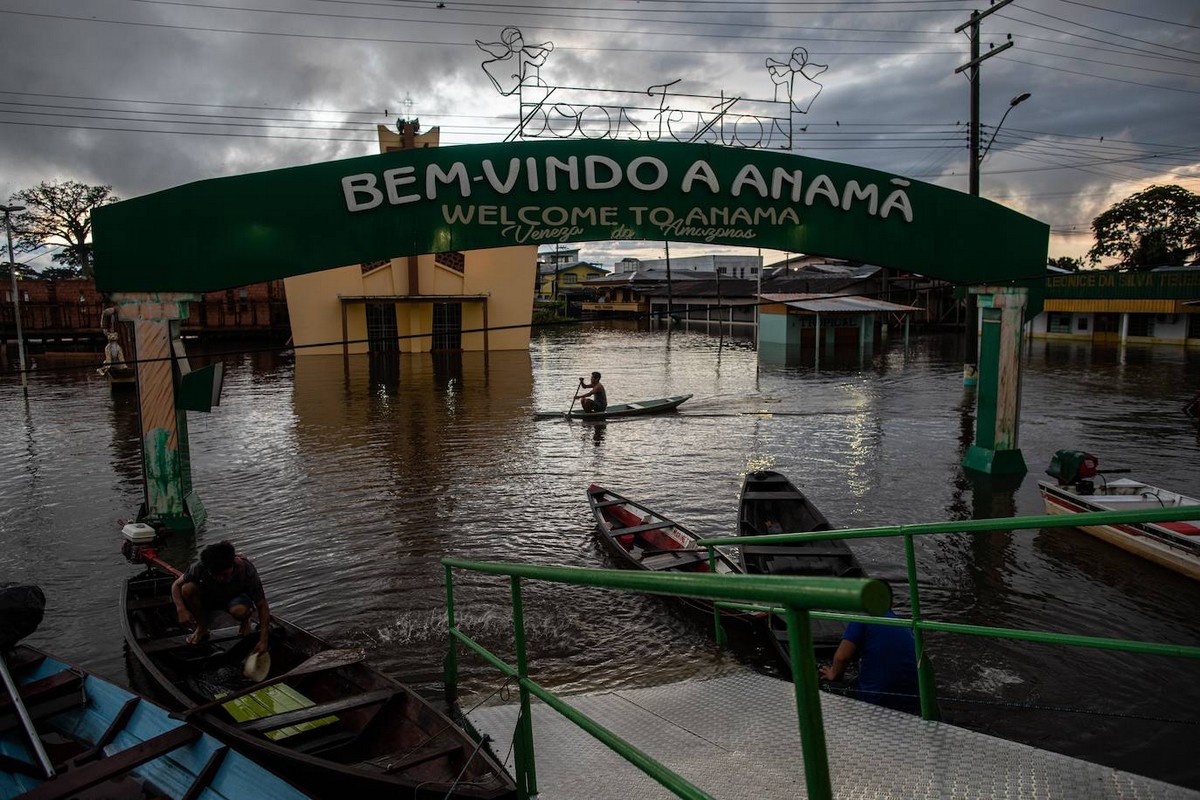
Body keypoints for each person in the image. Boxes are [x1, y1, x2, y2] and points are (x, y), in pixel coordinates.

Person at [172, 540, 270, 653]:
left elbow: (262, 605)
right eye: (215, 575)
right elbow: (176, 586)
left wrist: (263, 640)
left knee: (240, 611)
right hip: (211, 596)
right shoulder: (199, 567)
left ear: (232, 564)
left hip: (235, 598)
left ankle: (245, 620)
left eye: (224, 575)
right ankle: (202, 628)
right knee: (187, 588)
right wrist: (181, 609)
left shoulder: (246, 569)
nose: (220, 579)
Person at [818, 608, 920, 713]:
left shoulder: (863, 617)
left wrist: (833, 673)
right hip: (913, 699)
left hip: (877, 699)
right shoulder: (901, 623)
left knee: (825, 682)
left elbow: (842, 657)